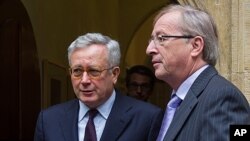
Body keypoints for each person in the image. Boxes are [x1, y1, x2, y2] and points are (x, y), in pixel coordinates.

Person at [146, 4, 250, 141]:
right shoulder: (177, 101)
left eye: (161, 38)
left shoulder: (222, 98)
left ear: (196, 46)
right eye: (152, 40)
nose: (149, 49)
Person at [34, 33, 163, 141]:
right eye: (77, 71)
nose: (84, 80)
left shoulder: (147, 118)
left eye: (94, 71)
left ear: (114, 74)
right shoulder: (49, 120)